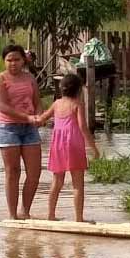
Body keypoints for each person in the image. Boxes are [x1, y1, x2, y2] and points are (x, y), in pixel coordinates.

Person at [33, 74, 100, 223]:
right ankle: (79, 219)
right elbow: (83, 127)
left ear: (61, 89)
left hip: (57, 146)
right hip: (74, 145)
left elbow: (42, 119)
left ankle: (50, 215)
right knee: (78, 184)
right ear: (78, 91)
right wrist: (94, 149)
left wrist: (30, 118)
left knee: (57, 182)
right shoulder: (77, 104)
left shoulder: (56, 103)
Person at [0, 44, 42, 220]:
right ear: (4, 62)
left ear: (23, 61)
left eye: (17, 59)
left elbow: (38, 101)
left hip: (30, 129)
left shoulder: (30, 78)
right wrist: (27, 117)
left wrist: (38, 116)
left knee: (35, 173)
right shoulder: (0, 79)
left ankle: (25, 211)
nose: (13, 63)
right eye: (9, 60)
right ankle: (13, 215)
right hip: (8, 128)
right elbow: (2, 106)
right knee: (13, 171)